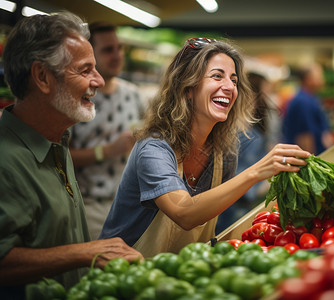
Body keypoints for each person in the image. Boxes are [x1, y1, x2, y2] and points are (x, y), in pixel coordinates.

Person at [99, 38, 310, 257]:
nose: (229, 87)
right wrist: (256, 172)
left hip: (181, 276)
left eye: (234, 80)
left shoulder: (224, 154)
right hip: (120, 275)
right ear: (188, 87)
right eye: (217, 76)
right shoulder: (154, 148)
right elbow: (184, 212)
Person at [0, 12, 143, 299]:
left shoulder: (57, 138)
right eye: (85, 69)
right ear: (42, 77)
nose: (99, 81)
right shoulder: (5, 158)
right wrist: (86, 252)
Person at [69, 21, 143, 239]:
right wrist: (107, 150)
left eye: (119, 48)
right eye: (108, 50)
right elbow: (60, 155)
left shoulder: (133, 93)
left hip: (129, 202)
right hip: (90, 204)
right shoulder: (76, 98)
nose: (117, 55)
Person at [216, 72, 282, 234]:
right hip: (234, 207)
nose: (265, 100)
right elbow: (239, 176)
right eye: (263, 94)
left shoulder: (253, 131)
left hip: (242, 203)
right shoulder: (237, 133)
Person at [282, 63, 334, 154]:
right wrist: (310, 162)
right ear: (308, 79)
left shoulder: (311, 98)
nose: (323, 80)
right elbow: (304, 137)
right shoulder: (303, 102)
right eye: (319, 76)